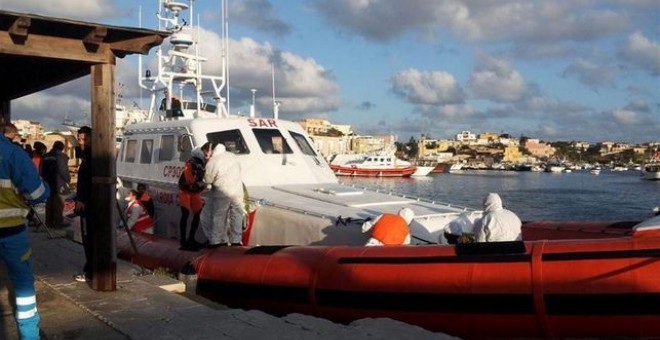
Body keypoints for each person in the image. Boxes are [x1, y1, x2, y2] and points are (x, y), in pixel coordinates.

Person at [0, 122, 50, 339]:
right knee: (22, 284)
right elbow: (37, 193)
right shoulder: (12, 154)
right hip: (11, 232)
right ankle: (29, 334)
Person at [201, 143, 245, 247]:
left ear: (209, 150)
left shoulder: (213, 161)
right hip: (237, 191)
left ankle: (217, 241)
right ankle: (236, 240)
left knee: (219, 216)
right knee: (237, 215)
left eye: (205, 152)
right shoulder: (233, 156)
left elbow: (208, 179)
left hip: (222, 192)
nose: (205, 155)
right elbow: (239, 169)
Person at [178, 143, 212, 250]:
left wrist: (201, 185)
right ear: (206, 150)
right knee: (186, 214)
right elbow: (189, 179)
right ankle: (184, 241)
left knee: (197, 214)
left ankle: (191, 239)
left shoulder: (202, 161)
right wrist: (201, 184)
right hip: (186, 191)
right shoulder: (192, 162)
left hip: (195, 192)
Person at [74, 126, 93, 282]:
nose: (81, 142)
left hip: (90, 205)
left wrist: (82, 199)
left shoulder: (92, 157)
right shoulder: (87, 156)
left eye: (85, 139)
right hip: (87, 203)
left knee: (89, 238)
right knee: (88, 239)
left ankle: (90, 272)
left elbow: (89, 182)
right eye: (79, 139)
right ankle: (90, 270)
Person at [41, 141, 71, 229]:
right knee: (59, 203)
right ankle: (58, 222)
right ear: (62, 148)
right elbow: (63, 170)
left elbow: (41, 169)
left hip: (48, 182)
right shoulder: (62, 156)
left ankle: (49, 222)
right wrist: (68, 179)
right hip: (59, 183)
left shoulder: (45, 156)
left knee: (49, 202)